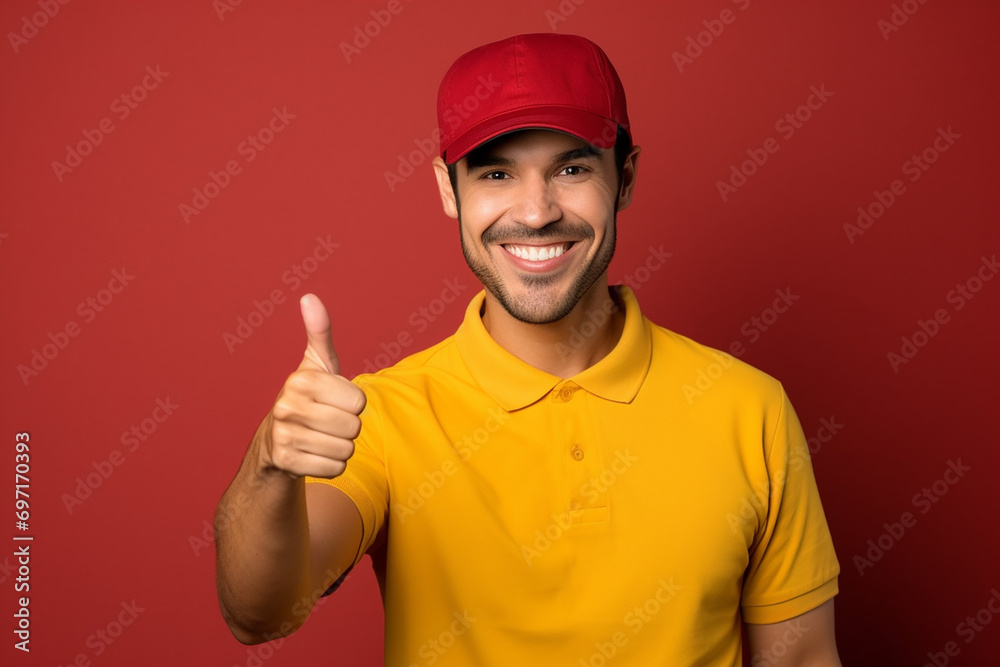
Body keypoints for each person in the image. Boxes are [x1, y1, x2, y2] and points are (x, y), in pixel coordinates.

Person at [215, 33, 842, 666]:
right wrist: (270, 462)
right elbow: (260, 614)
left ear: (623, 178)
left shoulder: (749, 408)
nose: (537, 212)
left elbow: (803, 660)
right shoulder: (378, 418)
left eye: (571, 169)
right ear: (447, 190)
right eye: (496, 173)